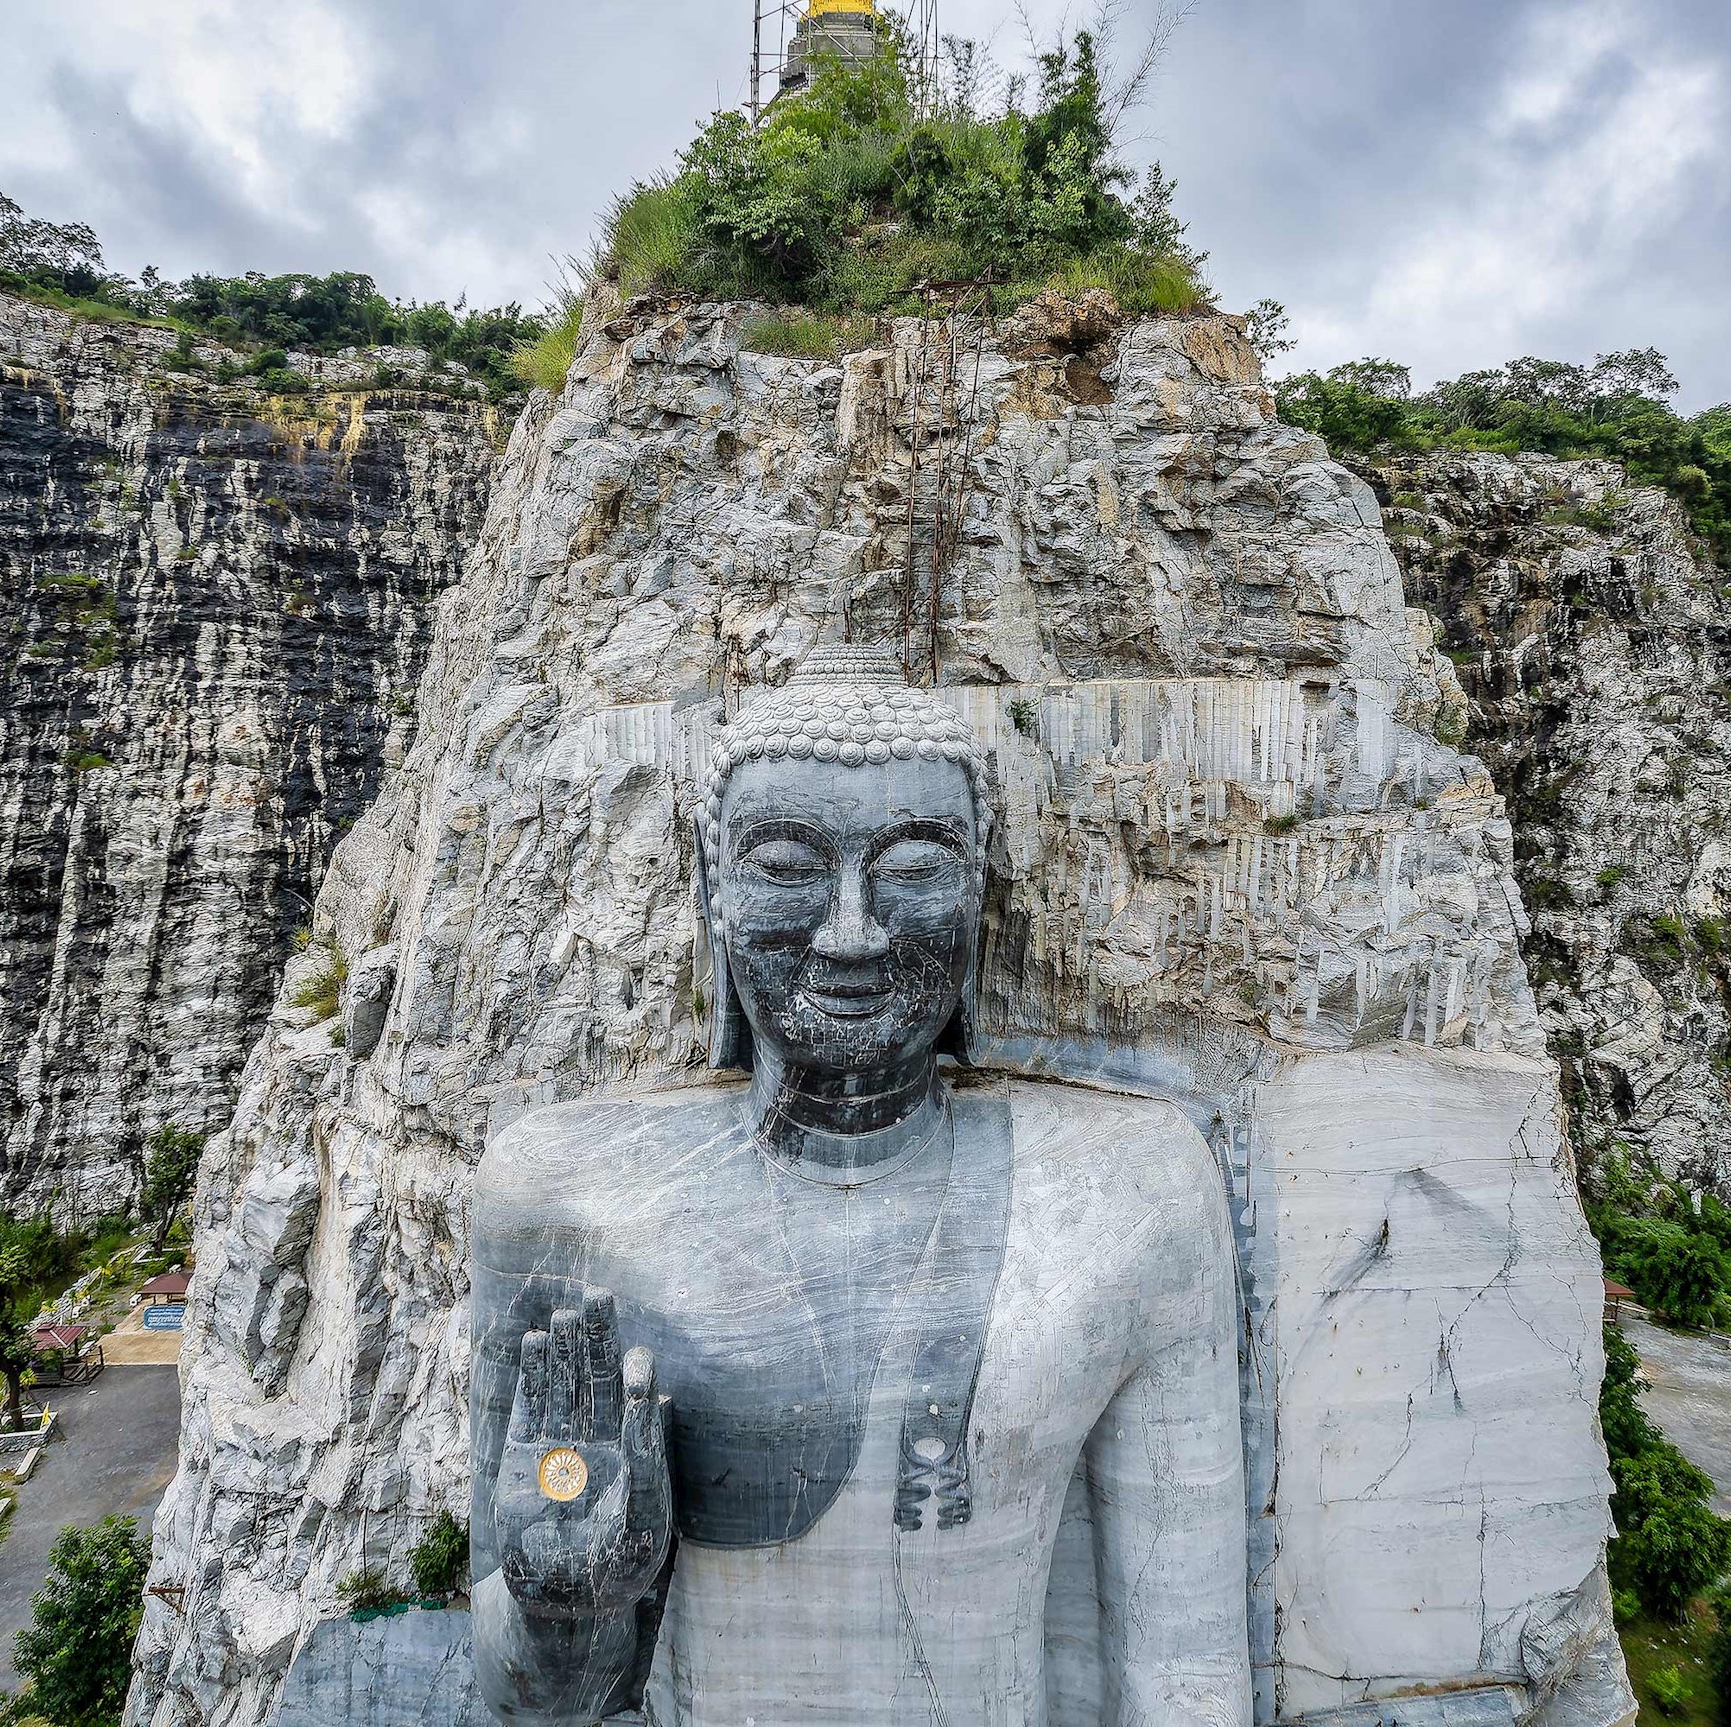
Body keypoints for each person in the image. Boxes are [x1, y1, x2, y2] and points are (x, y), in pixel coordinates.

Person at [468, 644, 1248, 1725]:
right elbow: (526, 1699)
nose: (851, 931)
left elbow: (1188, 1671)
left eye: (916, 867)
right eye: (787, 865)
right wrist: (569, 1604)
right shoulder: (563, 1197)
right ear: (715, 896)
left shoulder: (1134, 1189)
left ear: (980, 896)